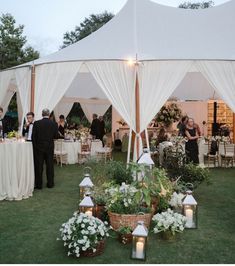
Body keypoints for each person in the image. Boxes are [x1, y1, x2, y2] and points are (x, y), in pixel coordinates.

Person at [32, 109, 58, 189]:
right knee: (50, 166)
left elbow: (33, 137)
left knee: (39, 166)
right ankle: (50, 183)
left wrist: (35, 147)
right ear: (49, 114)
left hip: (39, 148)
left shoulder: (36, 123)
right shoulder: (54, 124)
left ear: (42, 114)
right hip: (49, 147)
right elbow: (56, 136)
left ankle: (39, 185)